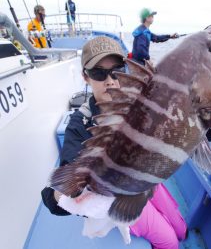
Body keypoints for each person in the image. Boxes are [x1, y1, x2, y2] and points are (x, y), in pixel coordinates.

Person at [41, 36, 187, 249]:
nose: (109, 80)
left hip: (147, 180)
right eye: (99, 73)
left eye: (116, 70)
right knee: (169, 242)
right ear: (85, 77)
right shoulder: (79, 124)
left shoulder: (141, 103)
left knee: (180, 226)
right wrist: (59, 194)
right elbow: (63, 184)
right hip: (120, 197)